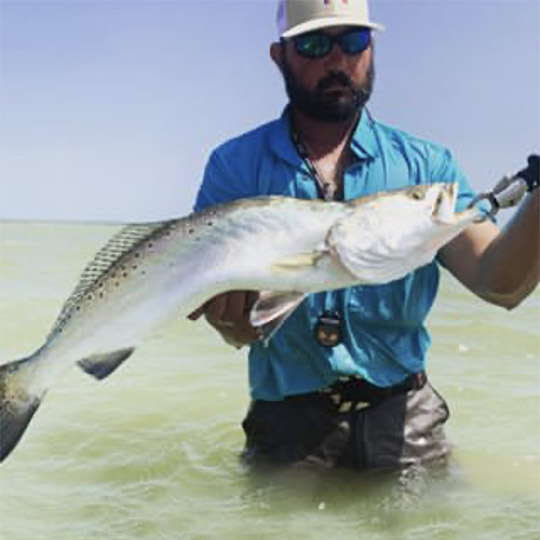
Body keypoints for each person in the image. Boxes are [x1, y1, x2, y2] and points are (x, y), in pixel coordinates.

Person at [189, 0, 539, 470]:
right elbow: (239, 330)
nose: (338, 60)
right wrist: (229, 319)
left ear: (371, 48)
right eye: (315, 44)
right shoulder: (234, 166)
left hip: (407, 417)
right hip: (286, 421)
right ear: (280, 56)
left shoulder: (427, 169)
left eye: (354, 41)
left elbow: (501, 284)